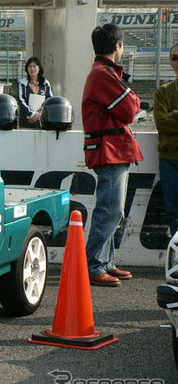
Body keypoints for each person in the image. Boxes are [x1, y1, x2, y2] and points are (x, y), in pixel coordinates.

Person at [82, 23, 143, 286]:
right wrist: (134, 99)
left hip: (113, 151)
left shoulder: (102, 72)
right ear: (118, 46)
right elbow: (131, 109)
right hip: (111, 151)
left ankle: (105, 262)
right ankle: (94, 265)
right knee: (110, 210)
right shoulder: (102, 74)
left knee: (112, 210)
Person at [153, 42, 178, 237]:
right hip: (169, 161)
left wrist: (173, 114)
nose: (177, 62)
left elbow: (167, 120)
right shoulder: (163, 92)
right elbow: (161, 123)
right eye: (174, 58)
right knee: (174, 212)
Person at [18, 56, 53, 128]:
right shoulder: (22, 83)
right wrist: (31, 114)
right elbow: (20, 101)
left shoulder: (45, 84)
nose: (32, 69)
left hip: (41, 121)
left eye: (34, 66)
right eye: (30, 66)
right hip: (26, 121)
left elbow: (49, 100)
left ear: (39, 68)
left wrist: (38, 115)